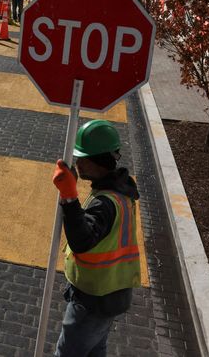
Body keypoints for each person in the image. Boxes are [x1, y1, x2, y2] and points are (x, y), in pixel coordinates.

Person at [51, 120, 141, 356]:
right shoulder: (121, 189)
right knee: (94, 351)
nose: (77, 163)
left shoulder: (106, 203)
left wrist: (69, 197)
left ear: (98, 160)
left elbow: (82, 241)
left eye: (82, 158)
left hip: (95, 300)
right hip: (110, 295)